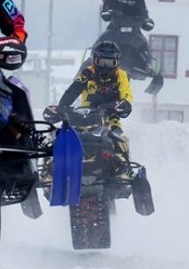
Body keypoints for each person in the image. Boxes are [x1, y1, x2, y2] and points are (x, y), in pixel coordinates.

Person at [45, 40, 133, 175]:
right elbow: (72, 91)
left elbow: (127, 95)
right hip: (86, 115)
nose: (105, 67)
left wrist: (124, 104)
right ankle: (50, 168)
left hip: (111, 115)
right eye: (101, 62)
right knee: (57, 136)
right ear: (94, 60)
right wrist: (62, 107)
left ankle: (125, 168)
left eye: (110, 63)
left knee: (119, 136)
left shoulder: (122, 75)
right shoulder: (87, 73)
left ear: (117, 62)